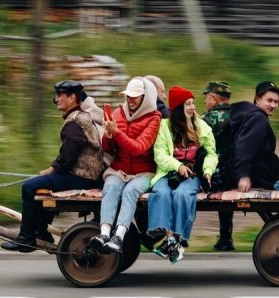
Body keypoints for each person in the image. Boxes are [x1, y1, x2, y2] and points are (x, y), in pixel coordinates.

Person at [1, 80, 104, 252]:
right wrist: (53, 170)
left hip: (81, 178)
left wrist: (52, 169)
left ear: (72, 98)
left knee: (29, 187)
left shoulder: (75, 121)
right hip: (86, 176)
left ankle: (26, 238)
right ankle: (41, 232)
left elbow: (67, 157)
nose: (57, 100)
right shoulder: (83, 117)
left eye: (60, 95)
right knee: (42, 184)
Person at [146, 86, 218, 263]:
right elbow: (160, 155)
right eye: (188, 104)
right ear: (179, 108)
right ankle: (170, 240)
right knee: (161, 193)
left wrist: (208, 171)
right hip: (167, 172)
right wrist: (177, 166)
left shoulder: (202, 127)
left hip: (191, 174)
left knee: (182, 194)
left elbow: (211, 153)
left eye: (193, 103)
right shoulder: (165, 127)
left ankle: (177, 239)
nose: (193, 107)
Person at [90, 77, 161, 254]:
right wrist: (108, 135)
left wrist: (117, 132)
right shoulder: (117, 113)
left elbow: (139, 148)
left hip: (144, 171)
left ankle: (119, 236)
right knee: (111, 187)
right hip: (119, 168)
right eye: (128, 95)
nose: (130, 100)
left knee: (131, 191)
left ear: (145, 97)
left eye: (135, 96)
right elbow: (108, 148)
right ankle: (104, 234)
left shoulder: (154, 118)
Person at [228, 81, 279, 192]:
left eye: (276, 102)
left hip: (252, 174)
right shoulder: (258, 118)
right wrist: (243, 175)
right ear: (258, 99)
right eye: (269, 100)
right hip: (257, 177)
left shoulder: (251, 115)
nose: (274, 105)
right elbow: (245, 146)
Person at [200, 81, 235, 251]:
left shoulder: (207, 119)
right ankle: (226, 238)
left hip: (212, 174)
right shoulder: (239, 115)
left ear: (214, 98)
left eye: (206, 98)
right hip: (235, 174)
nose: (206, 102)